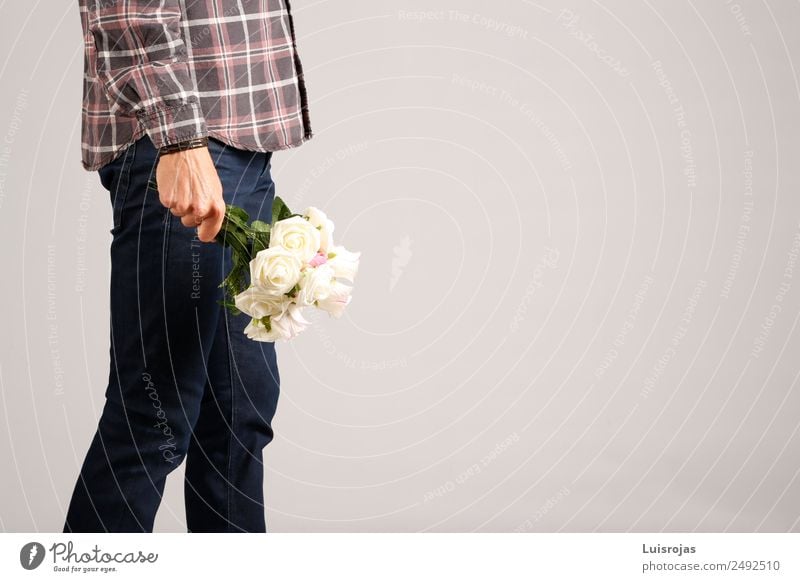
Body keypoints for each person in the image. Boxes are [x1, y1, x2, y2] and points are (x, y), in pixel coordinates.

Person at [63, 0, 313, 533]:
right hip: (185, 145)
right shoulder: (180, 141)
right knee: (153, 419)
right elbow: (129, 11)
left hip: (236, 152)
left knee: (237, 419)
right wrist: (179, 138)